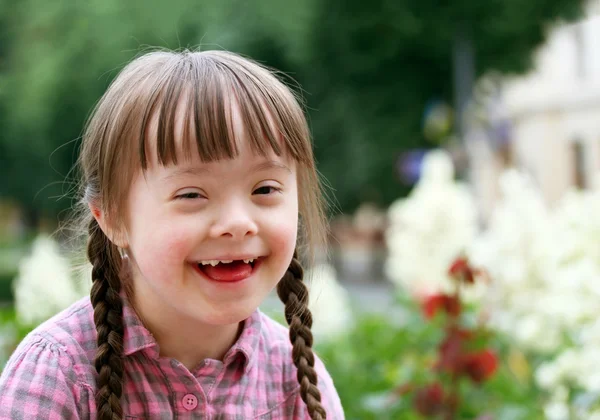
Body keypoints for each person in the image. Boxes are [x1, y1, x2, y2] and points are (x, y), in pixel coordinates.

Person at [0, 49, 344, 420]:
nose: (237, 222)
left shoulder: (296, 379)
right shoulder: (57, 375)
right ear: (112, 217)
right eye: (192, 194)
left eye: (264, 189)